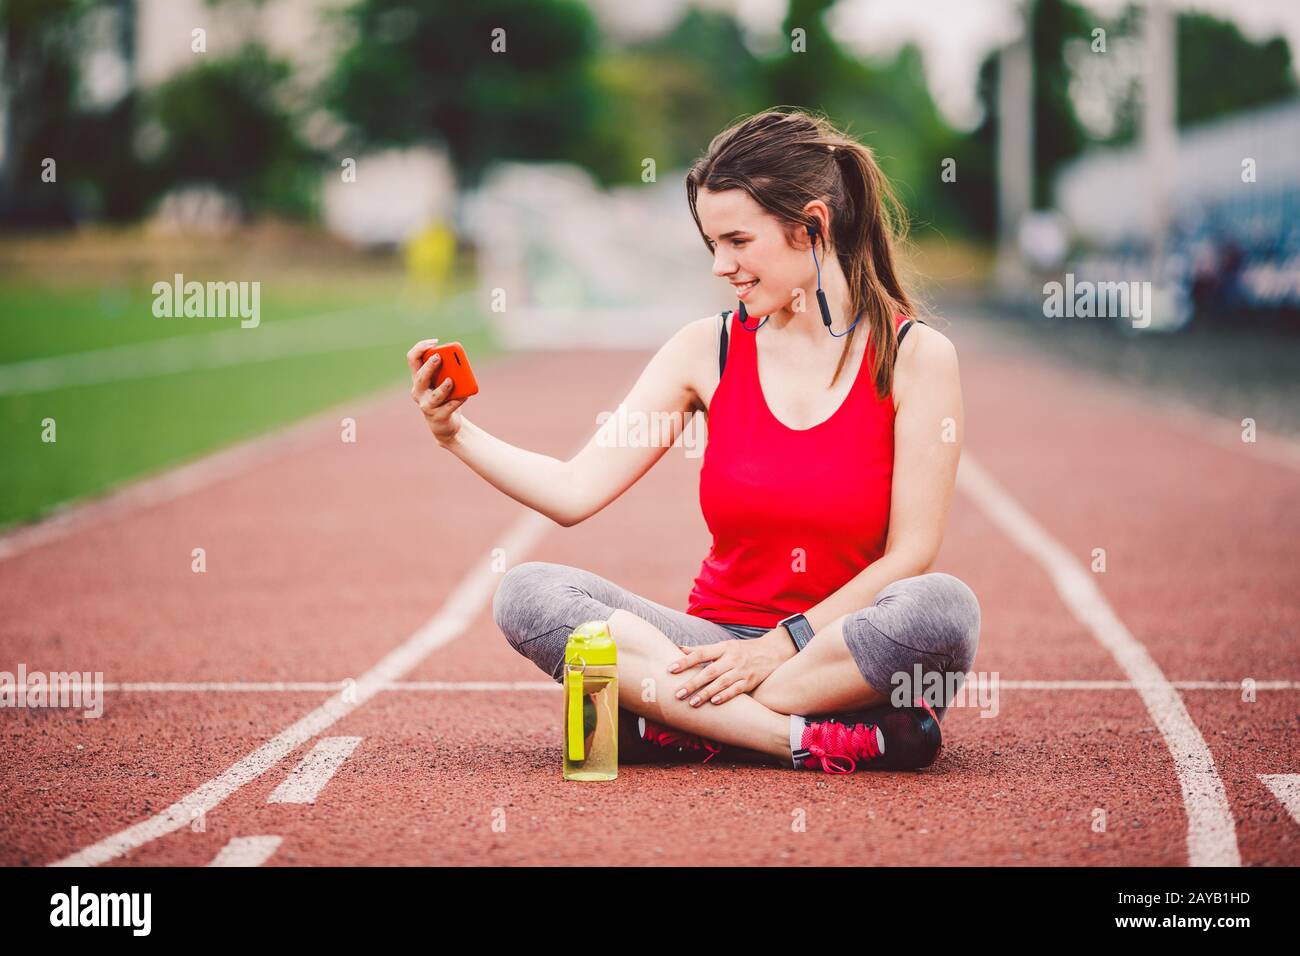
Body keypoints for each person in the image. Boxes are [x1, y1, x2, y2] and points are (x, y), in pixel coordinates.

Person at [407, 109, 980, 774]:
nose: (720, 266)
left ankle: (674, 722)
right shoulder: (704, 349)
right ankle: (796, 738)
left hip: (834, 650)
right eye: (712, 244)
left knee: (944, 609)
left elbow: (909, 556)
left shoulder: (918, 357)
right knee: (529, 592)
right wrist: (455, 434)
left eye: (737, 241)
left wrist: (775, 649)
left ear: (814, 227)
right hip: (706, 646)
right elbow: (573, 491)